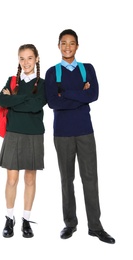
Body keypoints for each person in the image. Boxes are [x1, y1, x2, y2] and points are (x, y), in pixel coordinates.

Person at [44, 29, 115, 244]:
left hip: (85, 131)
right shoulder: (51, 72)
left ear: (77, 46)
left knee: (90, 178)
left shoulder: (88, 69)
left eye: (71, 43)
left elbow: (93, 95)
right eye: (63, 43)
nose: (67, 47)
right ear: (58, 46)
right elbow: (53, 103)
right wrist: (80, 95)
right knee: (67, 179)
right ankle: (70, 223)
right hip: (62, 133)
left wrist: (64, 92)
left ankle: (95, 226)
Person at [0, 44, 47, 238]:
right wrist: (25, 100)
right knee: (11, 180)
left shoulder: (43, 84)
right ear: (18, 60)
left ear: (37, 59)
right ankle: (9, 218)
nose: (26, 62)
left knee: (30, 179)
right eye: (22, 58)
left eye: (29, 58)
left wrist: (16, 100)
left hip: (34, 134)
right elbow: (2, 100)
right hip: (13, 133)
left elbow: (37, 106)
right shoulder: (11, 82)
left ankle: (26, 220)